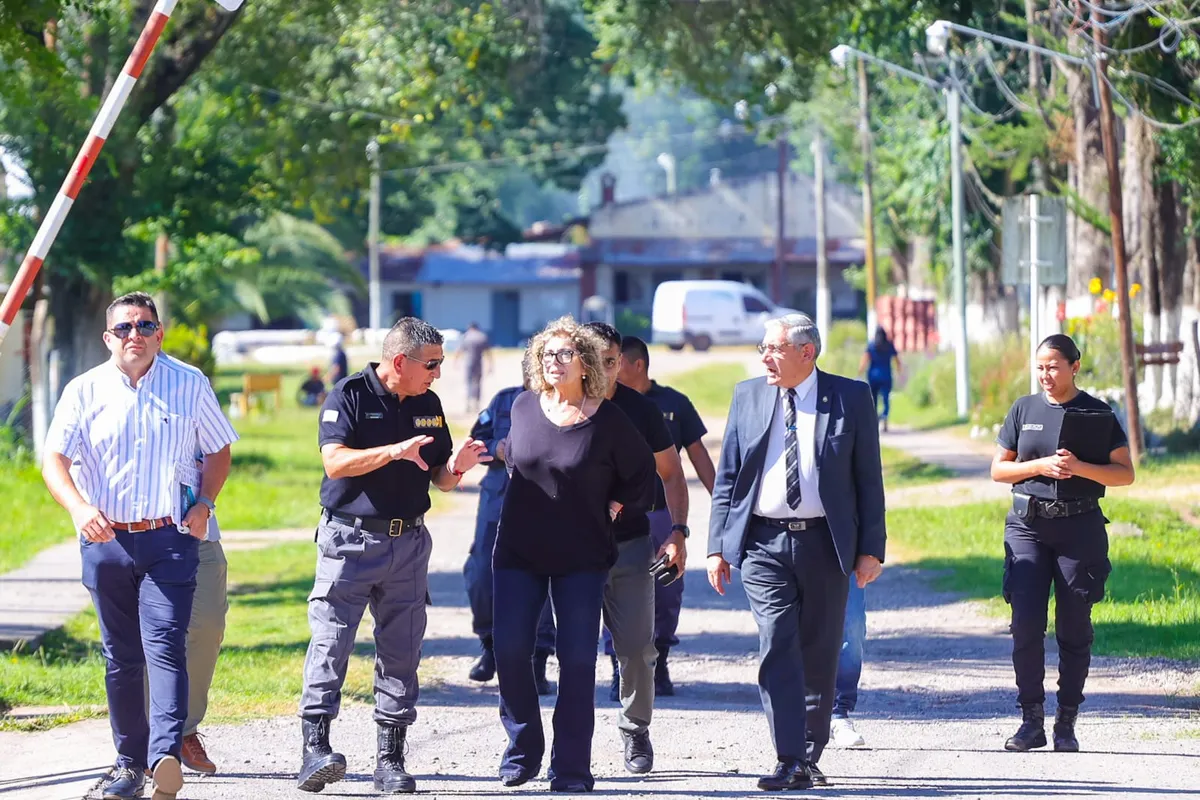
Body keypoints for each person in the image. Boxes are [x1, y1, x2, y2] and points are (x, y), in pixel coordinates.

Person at [42, 292, 237, 800]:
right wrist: (80, 510)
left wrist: (205, 505)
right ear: (109, 338)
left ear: (160, 334)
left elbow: (219, 449)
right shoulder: (83, 390)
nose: (136, 335)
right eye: (125, 328)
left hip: (169, 537)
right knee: (121, 655)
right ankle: (129, 763)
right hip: (105, 540)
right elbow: (54, 462)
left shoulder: (189, 383)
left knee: (166, 646)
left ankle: (164, 754)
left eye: (146, 326)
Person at [296, 317, 491, 794]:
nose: (438, 373)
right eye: (432, 364)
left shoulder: (428, 403)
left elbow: (439, 476)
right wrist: (392, 451)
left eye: (441, 364)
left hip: (408, 545)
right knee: (332, 641)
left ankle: (390, 760)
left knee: (402, 651)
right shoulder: (349, 394)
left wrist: (457, 468)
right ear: (400, 361)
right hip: (349, 542)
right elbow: (334, 460)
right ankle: (315, 750)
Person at [707, 312, 886, 792]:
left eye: (773, 348)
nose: (764, 356)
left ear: (806, 352)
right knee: (777, 643)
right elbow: (728, 478)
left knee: (820, 650)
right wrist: (718, 547)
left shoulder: (850, 398)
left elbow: (868, 479)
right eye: (762, 348)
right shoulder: (748, 395)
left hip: (825, 543)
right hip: (763, 542)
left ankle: (810, 754)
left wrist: (871, 548)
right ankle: (789, 757)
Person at [492, 316, 654, 792]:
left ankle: (570, 768)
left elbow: (643, 472)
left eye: (563, 354)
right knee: (511, 651)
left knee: (578, 661)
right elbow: (515, 458)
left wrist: (618, 503)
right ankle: (523, 749)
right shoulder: (523, 406)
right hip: (518, 552)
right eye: (546, 354)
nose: (553, 362)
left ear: (585, 364)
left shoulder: (606, 418)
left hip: (583, 558)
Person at [990, 333, 1134, 753]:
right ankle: (1030, 720)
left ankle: (1066, 722)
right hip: (1028, 526)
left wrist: (1080, 468)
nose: (1045, 375)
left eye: (1054, 366)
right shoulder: (1024, 409)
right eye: (1040, 367)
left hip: (1079, 529)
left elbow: (1124, 474)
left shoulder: (1097, 411)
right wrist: (1041, 466)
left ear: (1075, 366)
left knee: (1074, 627)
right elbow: (999, 470)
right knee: (1026, 626)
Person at [585, 323, 689, 775]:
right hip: (570, 549)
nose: (606, 371)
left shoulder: (641, 411)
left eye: (612, 361)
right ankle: (567, 746)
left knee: (634, 648)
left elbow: (672, 473)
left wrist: (679, 531)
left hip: (629, 543)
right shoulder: (554, 405)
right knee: (571, 649)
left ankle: (635, 730)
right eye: (596, 361)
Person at [617, 335, 716, 695]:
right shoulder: (604, 402)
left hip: (661, 513)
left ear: (637, 364)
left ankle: (659, 663)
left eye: (616, 361)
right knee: (615, 589)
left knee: (667, 592)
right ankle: (621, 669)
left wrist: (723, 504)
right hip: (619, 515)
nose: (610, 368)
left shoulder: (673, 403)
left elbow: (698, 455)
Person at [464, 374, 558, 694]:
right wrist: (497, 448)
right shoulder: (503, 400)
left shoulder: (563, 400)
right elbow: (477, 441)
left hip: (545, 500)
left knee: (540, 577)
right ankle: (490, 646)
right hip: (498, 497)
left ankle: (538, 659)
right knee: (480, 571)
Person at [830, 582, 868, 748]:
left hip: (845, 559)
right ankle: (802, 714)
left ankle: (838, 714)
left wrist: (870, 555)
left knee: (853, 627)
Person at [858, 327, 901, 431]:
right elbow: (897, 360)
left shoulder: (872, 345)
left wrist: (859, 372)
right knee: (886, 398)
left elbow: (865, 360)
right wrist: (899, 371)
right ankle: (885, 415)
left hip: (873, 376)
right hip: (886, 376)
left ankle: (875, 420)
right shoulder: (889, 345)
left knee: (874, 400)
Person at [458, 321, 492, 413]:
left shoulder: (466, 337)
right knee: (477, 383)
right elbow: (488, 352)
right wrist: (490, 365)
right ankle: (476, 404)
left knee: (469, 382)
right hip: (478, 363)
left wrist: (455, 361)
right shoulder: (482, 337)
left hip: (468, 363)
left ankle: (468, 403)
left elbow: (460, 350)